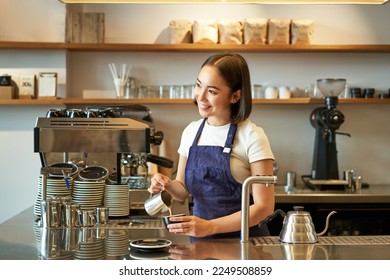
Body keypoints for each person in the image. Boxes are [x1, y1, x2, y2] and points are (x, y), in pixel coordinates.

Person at [148, 52, 275, 239]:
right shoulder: (191, 132)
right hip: (201, 243)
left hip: (245, 245)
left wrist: (210, 227)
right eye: (199, 85)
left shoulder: (253, 136)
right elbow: (182, 191)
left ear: (235, 96)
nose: (201, 96)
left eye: (212, 91)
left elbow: (264, 208)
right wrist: (166, 185)